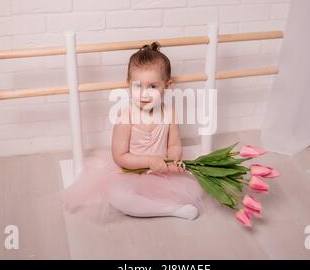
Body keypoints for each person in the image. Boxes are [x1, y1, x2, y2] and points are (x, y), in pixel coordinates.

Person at [61, 42, 205, 224]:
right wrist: (150, 162)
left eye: (153, 86)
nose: (145, 94)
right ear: (128, 84)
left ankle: (162, 204)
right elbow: (120, 156)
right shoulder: (125, 117)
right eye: (138, 86)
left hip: (161, 171)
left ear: (167, 86)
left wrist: (172, 162)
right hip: (130, 172)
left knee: (193, 190)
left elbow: (174, 144)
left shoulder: (169, 113)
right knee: (120, 197)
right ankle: (172, 210)